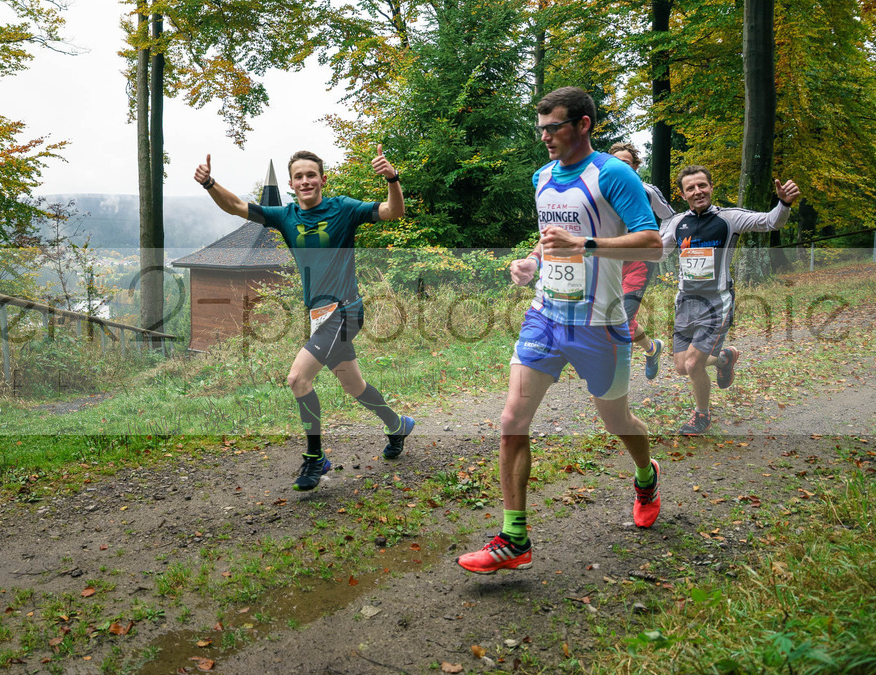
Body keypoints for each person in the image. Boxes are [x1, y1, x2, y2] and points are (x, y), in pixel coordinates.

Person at [456, 87, 664, 575]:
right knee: (512, 420)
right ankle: (514, 538)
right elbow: (549, 238)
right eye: (541, 129)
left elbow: (653, 243)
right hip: (546, 316)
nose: (546, 137)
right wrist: (530, 260)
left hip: (601, 324)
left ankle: (645, 474)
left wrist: (586, 243)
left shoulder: (614, 174)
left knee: (617, 423)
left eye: (555, 127)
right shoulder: (542, 177)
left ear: (584, 124)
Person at [193, 147, 415, 491]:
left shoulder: (343, 209)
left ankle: (315, 458)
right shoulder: (286, 216)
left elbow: (393, 211)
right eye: (299, 176)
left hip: (346, 310)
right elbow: (236, 206)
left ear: (322, 180)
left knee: (298, 379)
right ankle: (397, 424)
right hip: (319, 315)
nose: (306, 181)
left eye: (312, 174)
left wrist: (392, 178)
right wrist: (209, 183)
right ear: (292, 184)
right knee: (353, 386)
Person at [662, 165, 801, 435]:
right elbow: (656, 251)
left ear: (711, 187)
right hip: (685, 302)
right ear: (683, 194)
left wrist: (783, 203)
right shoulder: (677, 223)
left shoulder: (730, 218)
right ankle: (724, 359)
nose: (697, 191)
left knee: (693, 364)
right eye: (690, 188)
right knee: (682, 366)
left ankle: (702, 415)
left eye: (702, 185)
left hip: (717, 302)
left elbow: (772, 222)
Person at [608, 142, 676, 380]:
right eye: (614, 163)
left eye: (625, 163)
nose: (620, 167)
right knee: (612, 315)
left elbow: (670, 217)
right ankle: (652, 348)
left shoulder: (648, 190)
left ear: (635, 166)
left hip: (639, 262)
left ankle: (614, 380)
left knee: (622, 320)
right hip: (610, 262)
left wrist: (660, 245)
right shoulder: (600, 190)